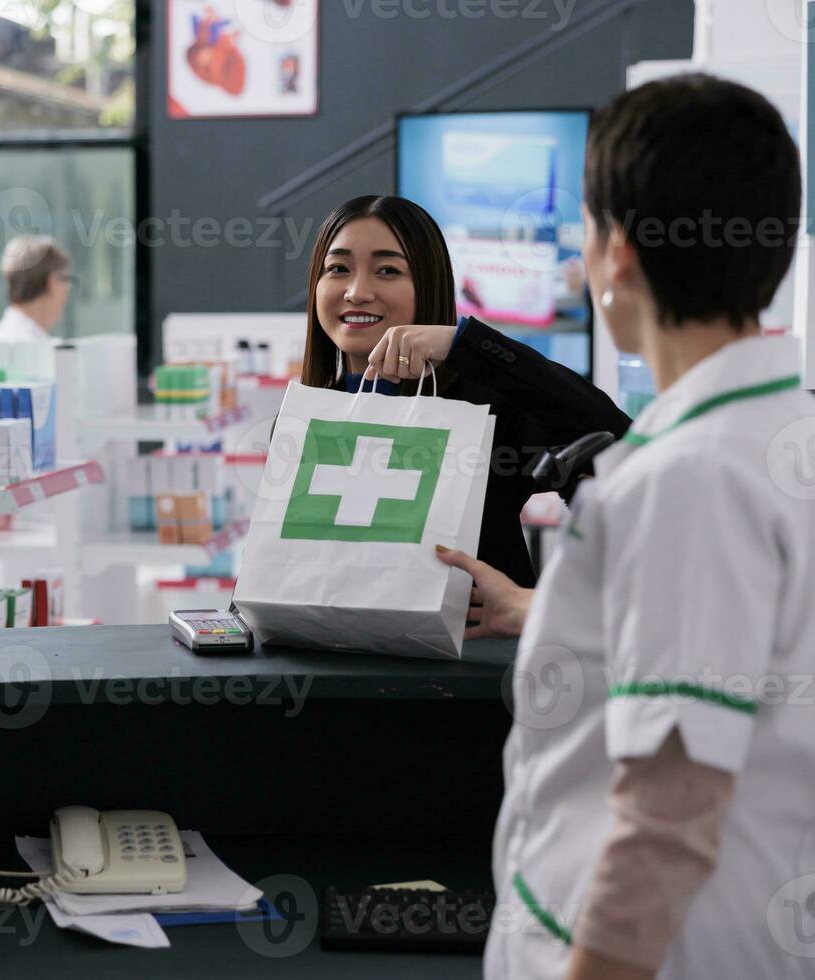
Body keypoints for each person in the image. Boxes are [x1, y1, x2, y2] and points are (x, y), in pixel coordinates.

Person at [442, 74, 814, 980]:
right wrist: (549, 607)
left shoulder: (687, 478)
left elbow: (668, 809)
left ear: (617, 254)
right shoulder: (779, 434)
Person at [300, 194, 628, 590]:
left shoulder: (485, 407)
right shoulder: (303, 419)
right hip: (324, 649)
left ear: (429, 283)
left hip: (475, 649)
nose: (357, 291)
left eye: (387, 270)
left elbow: (613, 435)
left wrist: (466, 344)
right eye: (337, 268)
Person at [0, 235, 72, 343]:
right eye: (65, 280)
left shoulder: (0, 338)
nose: (67, 289)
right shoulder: (44, 350)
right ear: (52, 282)